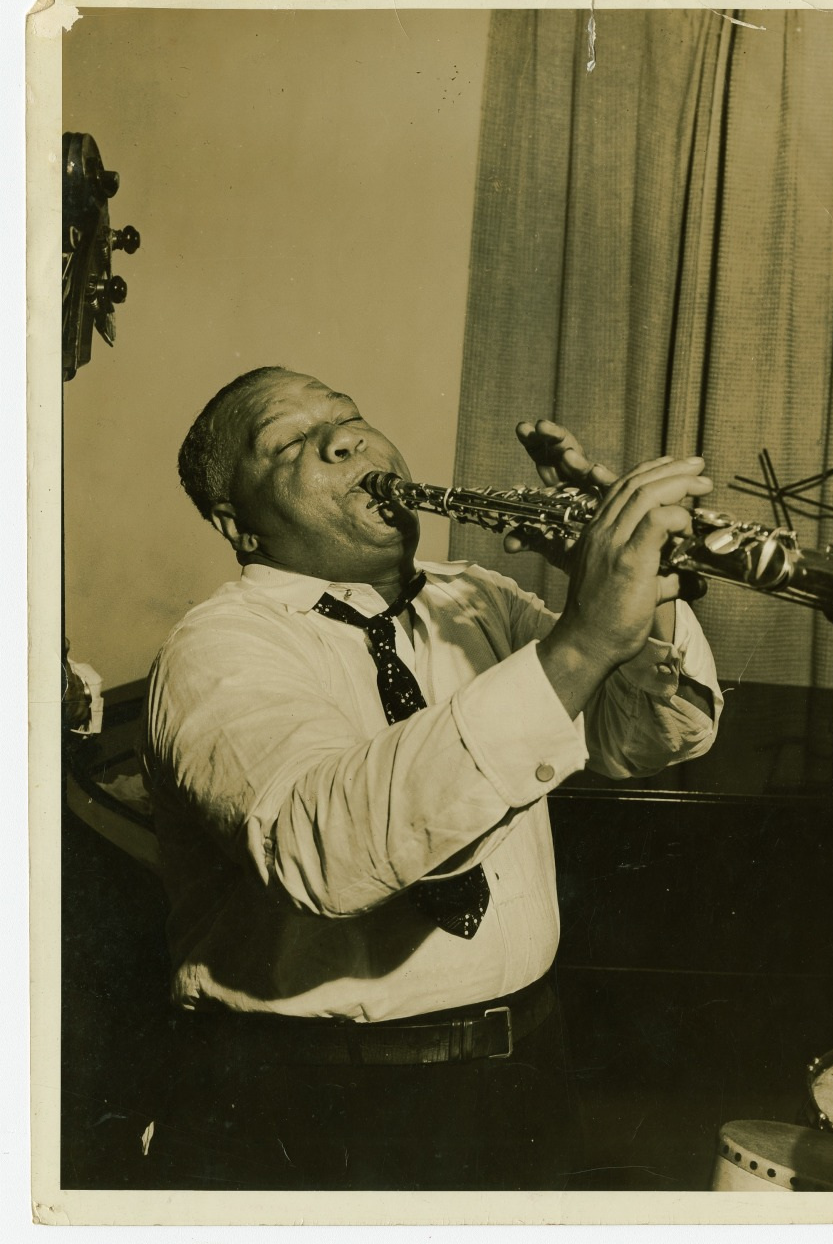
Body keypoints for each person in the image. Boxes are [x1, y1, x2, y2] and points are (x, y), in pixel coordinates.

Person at [140, 365, 723, 1190]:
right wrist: (585, 636)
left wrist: (644, 583)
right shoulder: (217, 647)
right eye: (292, 444)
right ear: (239, 526)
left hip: (521, 1073)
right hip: (308, 1102)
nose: (347, 438)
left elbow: (652, 735)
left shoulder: (473, 598)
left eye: (349, 418)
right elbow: (324, 851)